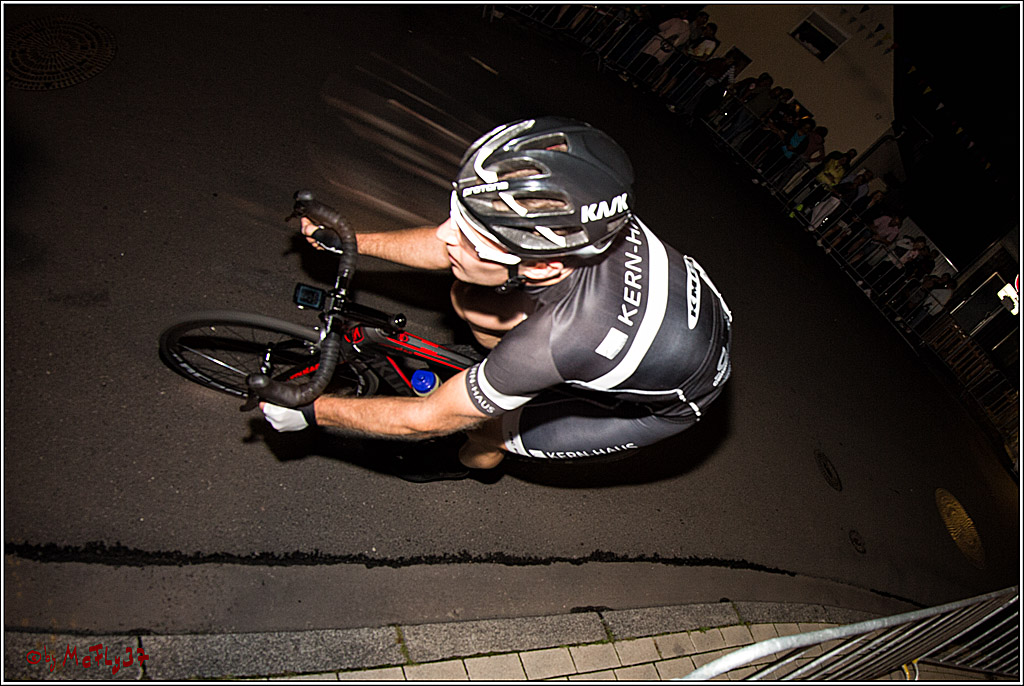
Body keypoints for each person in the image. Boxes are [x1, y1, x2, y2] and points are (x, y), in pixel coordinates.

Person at [261, 118, 733, 482]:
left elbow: (425, 420)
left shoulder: (560, 338)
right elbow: (445, 249)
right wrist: (350, 242)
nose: (445, 236)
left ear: (543, 266)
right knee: (467, 298)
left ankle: (474, 455)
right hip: (662, 322)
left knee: (483, 432)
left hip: (666, 403)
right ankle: (498, 376)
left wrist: (311, 410)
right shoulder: (578, 217)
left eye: (472, 239)